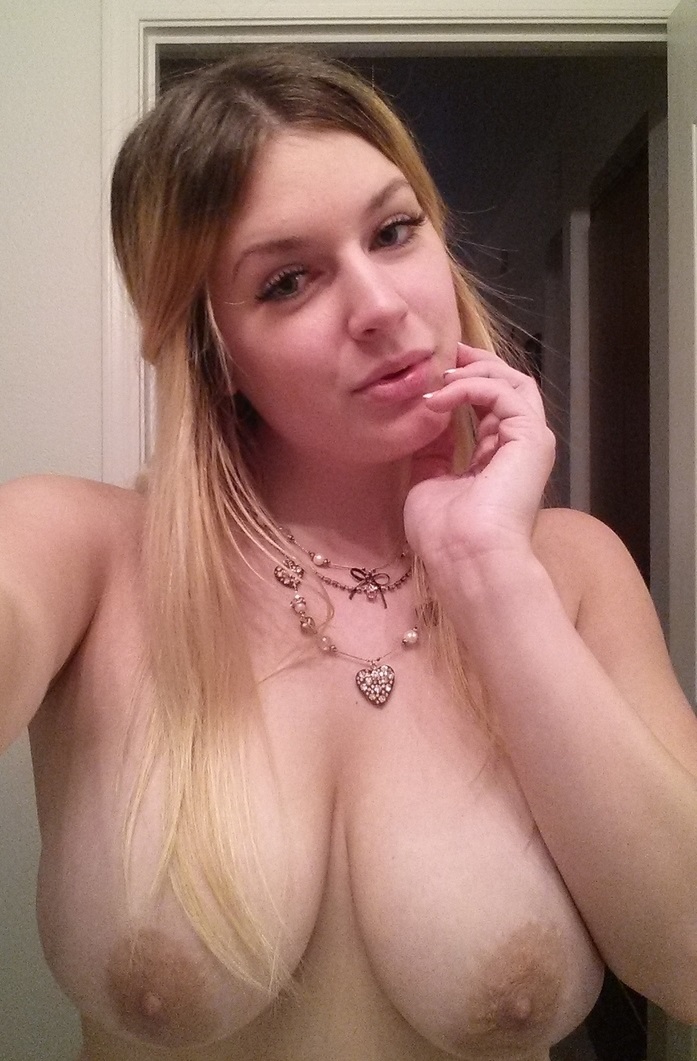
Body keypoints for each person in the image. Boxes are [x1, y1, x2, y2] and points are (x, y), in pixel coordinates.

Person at [1, 46, 696, 1061]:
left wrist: (488, 574)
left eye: (394, 230)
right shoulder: (85, 555)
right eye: (287, 280)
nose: (380, 304)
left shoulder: (574, 573)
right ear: (210, 348)